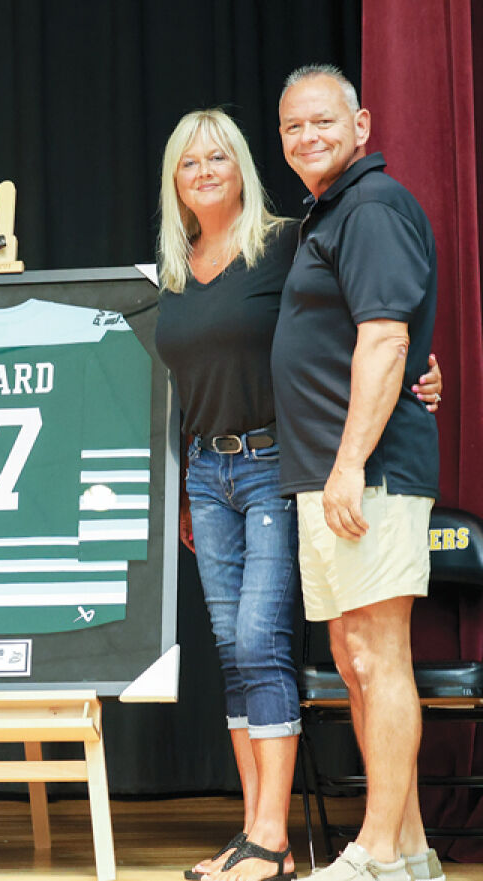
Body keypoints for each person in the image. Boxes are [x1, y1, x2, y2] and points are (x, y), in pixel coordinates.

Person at [154, 110, 443, 881]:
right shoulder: (174, 269)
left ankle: (274, 838)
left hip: (278, 463)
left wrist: (424, 367)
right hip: (206, 477)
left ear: (245, 165)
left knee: (262, 642)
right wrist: (183, 487)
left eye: (219, 156)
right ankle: (253, 834)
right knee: (232, 649)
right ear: (174, 182)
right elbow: (182, 384)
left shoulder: (287, 242)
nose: (206, 170)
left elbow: (364, 313)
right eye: (190, 162)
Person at [273, 65, 442, 881]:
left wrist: (348, 465)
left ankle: (375, 850)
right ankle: (409, 848)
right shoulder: (330, 211)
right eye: (292, 127)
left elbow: (386, 341)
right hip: (332, 475)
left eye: (322, 122)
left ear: (363, 123)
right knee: (354, 657)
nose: (307, 137)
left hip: (364, 475)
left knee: (379, 655)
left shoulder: (370, 206)